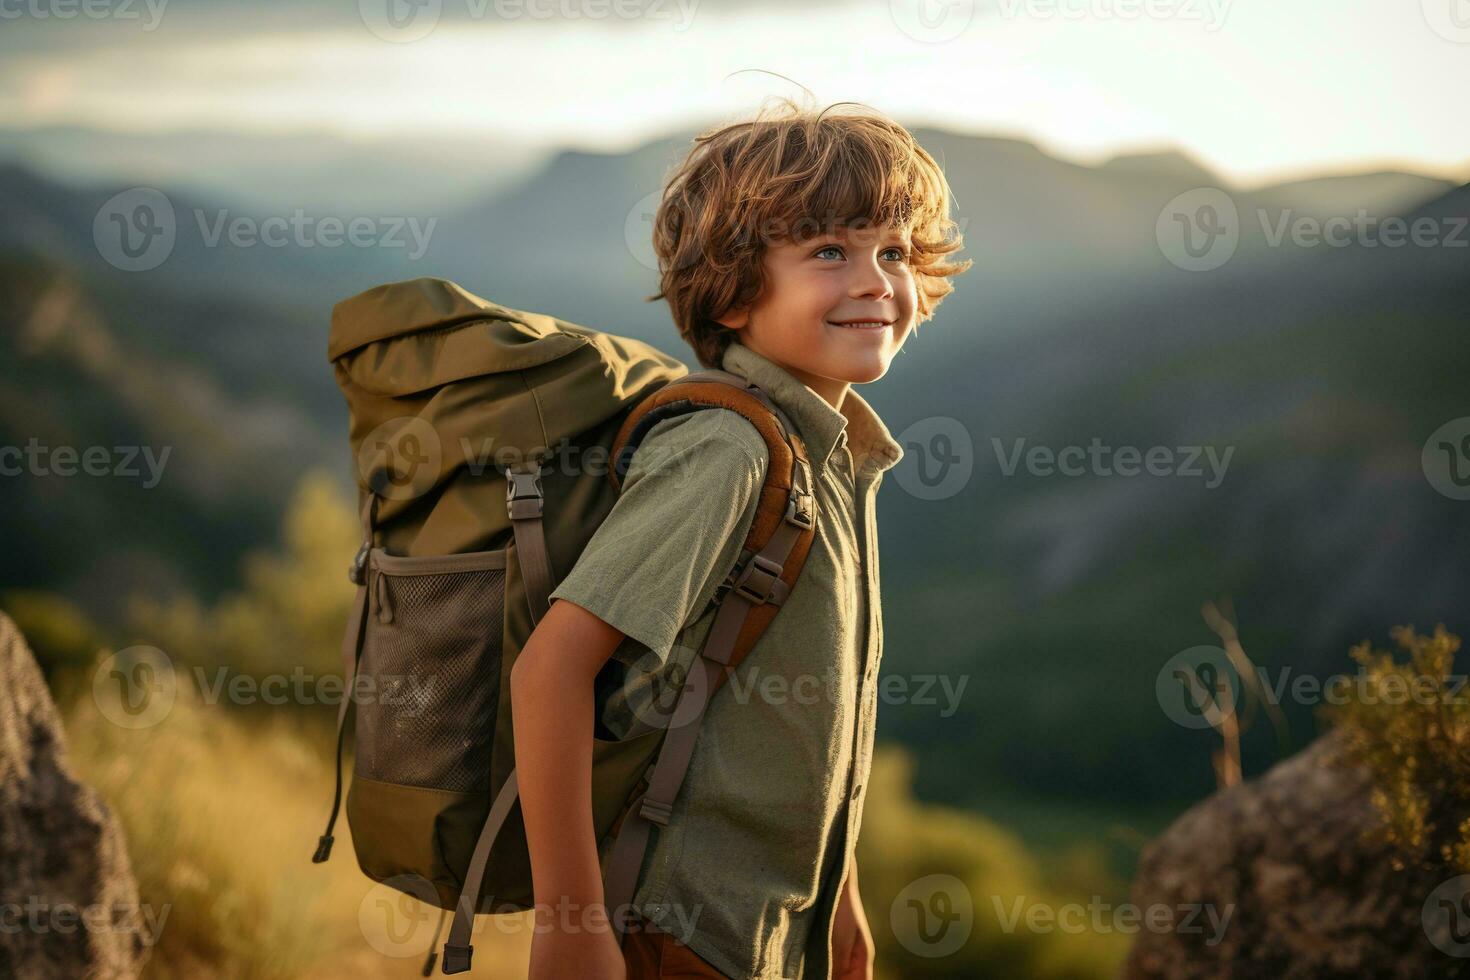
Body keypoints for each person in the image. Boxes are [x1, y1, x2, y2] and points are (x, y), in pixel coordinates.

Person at [510, 96, 971, 980]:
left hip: (771, 934)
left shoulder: (832, 453)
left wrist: (838, 901)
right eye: (828, 251)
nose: (877, 279)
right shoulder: (728, 451)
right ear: (730, 289)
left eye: (895, 251)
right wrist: (567, 924)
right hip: (685, 934)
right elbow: (552, 669)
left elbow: (807, 730)